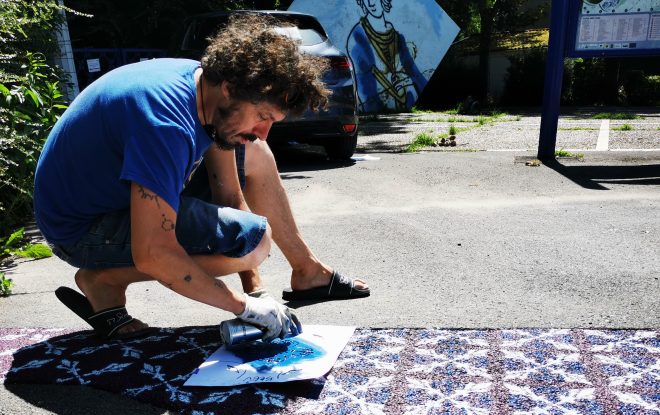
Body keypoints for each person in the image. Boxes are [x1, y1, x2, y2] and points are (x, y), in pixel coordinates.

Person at [34, 14, 368, 341]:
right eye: (263, 116)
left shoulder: (206, 91)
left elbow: (229, 198)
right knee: (256, 240)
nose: (264, 131)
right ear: (229, 89)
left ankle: (307, 271)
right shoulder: (166, 125)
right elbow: (154, 252)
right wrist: (243, 307)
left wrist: (256, 289)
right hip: (80, 229)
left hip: (105, 192)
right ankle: (103, 280)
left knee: (256, 156)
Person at [346, 0, 427, 112]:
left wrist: (406, 83)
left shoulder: (397, 37)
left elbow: (414, 72)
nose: (371, 4)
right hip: (375, 106)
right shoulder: (356, 39)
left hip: (404, 102)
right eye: (366, 0)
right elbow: (361, 86)